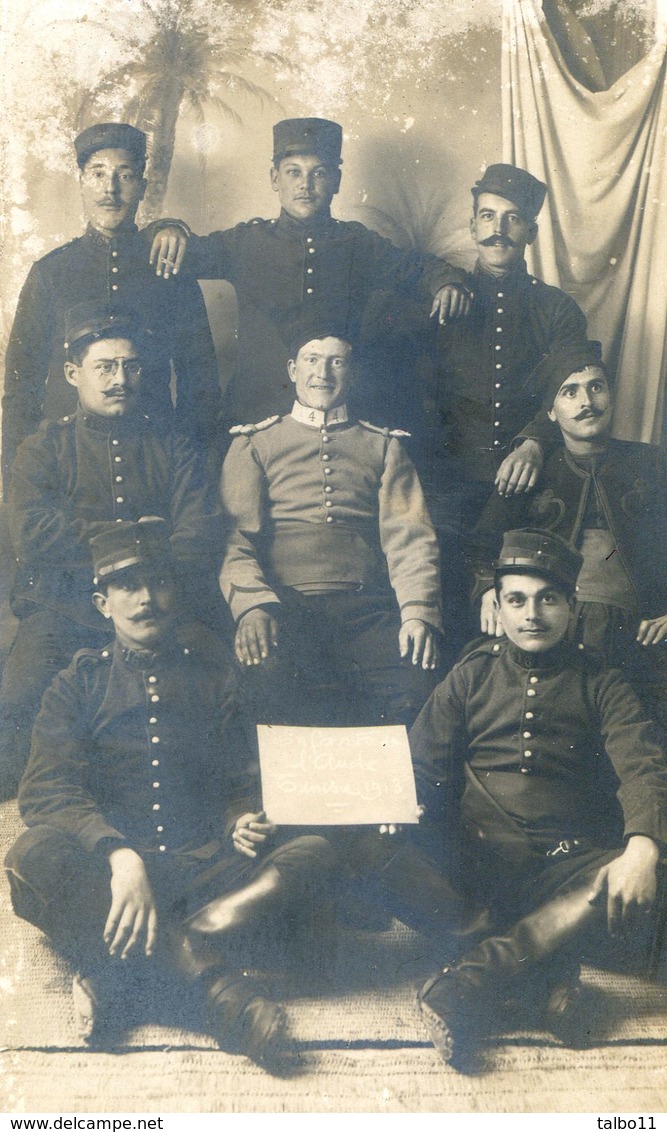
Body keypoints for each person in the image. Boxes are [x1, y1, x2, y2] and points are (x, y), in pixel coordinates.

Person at [4, 520, 337, 1067]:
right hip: (116, 882)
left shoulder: (212, 673)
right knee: (32, 854)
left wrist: (239, 819)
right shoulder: (77, 684)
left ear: (174, 593)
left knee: (314, 854)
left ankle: (125, 973)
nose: (145, 599)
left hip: (206, 867)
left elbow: (238, 778)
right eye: (127, 586)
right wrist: (118, 853)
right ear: (101, 603)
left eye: (156, 583)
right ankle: (221, 997)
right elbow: (45, 790)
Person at [409, 528, 667, 1069]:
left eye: (549, 598)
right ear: (498, 608)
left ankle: (471, 980)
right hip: (476, 864)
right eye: (517, 600)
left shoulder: (603, 682)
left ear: (571, 607)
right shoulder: (471, 675)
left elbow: (643, 766)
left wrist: (644, 846)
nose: (532, 614)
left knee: (639, 871)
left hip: (566, 868)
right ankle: (546, 986)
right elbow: (417, 765)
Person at [0, 301, 220, 799]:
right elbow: (32, 534)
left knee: (216, 683)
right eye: (105, 367)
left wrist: (134, 562)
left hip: (158, 607)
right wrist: (139, 534)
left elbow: (198, 532)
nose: (120, 378)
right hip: (64, 609)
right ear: (73, 373)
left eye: (131, 366)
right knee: (16, 701)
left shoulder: (174, 443)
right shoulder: (42, 449)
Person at [147, 117, 472, 430]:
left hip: (338, 418)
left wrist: (447, 283)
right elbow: (182, 254)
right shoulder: (245, 242)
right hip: (256, 415)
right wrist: (169, 228)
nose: (305, 185)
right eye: (293, 173)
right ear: (274, 179)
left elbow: (421, 268)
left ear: (336, 181)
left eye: (319, 173)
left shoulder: (359, 244)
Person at [218, 312, 443, 729]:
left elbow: (410, 539)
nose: (322, 373)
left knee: (415, 687)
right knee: (266, 690)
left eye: (337, 362)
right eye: (311, 360)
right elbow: (235, 541)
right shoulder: (254, 443)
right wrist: (251, 607)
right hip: (284, 607)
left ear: (352, 373)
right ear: (292, 369)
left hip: (366, 609)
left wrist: (416, 614)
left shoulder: (384, 446)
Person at [422, 163, 590, 652]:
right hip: (447, 475)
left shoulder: (556, 309)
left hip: (526, 478)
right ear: (473, 226)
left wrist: (536, 440)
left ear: (531, 232)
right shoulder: (444, 300)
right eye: (487, 216)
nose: (498, 230)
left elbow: (570, 384)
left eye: (512, 219)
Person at [2, 122, 221, 495]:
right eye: (98, 174)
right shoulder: (51, 271)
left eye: (125, 175)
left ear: (142, 187)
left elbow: (199, 380)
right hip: (65, 461)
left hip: (153, 457)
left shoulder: (167, 269)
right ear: (82, 182)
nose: (110, 188)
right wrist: (14, 474)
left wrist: (193, 469)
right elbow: (22, 383)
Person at [468, 340, 667, 727]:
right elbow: (480, 549)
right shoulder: (529, 469)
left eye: (596, 386)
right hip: (552, 625)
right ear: (551, 413)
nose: (586, 401)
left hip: (642, 632)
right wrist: (487, 591)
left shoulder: (655, 464)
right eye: (569, 391)